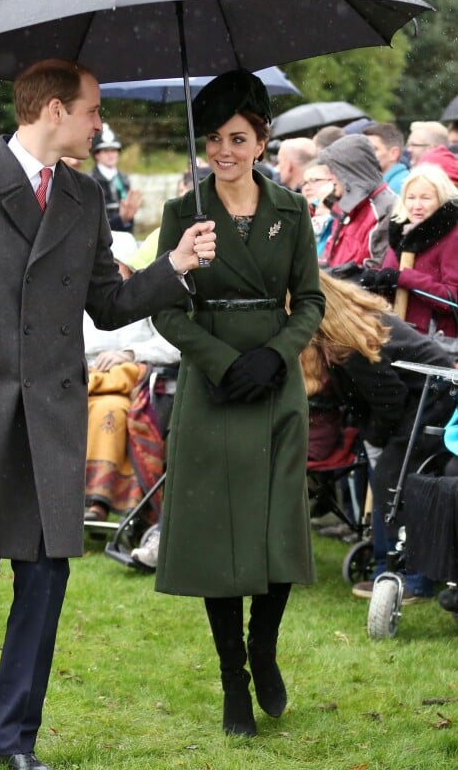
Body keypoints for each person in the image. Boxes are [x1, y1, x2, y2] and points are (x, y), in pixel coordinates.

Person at [0, 58, 216, 770]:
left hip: (52, 414)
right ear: (51, 109)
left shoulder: (83, 195)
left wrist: (174, 265)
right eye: (90, 109)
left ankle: (16, 738)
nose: (98, 121)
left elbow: (107, 302)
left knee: (44, 579)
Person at [151, 69, 325, 737]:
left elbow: (310, 299)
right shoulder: (182, 214)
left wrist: (275, 354)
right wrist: (224, 361)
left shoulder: (291, 210)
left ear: (261, 139)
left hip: (275, 382)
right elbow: (165, 308)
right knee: (218, 532)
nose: (224, 150)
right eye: (215, 138)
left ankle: (263, 644)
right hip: (212, 381)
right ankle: (232, 677)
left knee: (279, 521)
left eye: (238, 136)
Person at [301, 272, 456, 602]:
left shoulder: (348, 344)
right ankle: (387, 564)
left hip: (433, 395)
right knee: (386, 475)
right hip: (412, 398)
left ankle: (413, 576)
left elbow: (389, 398)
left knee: (397, 479)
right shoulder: (345, 330)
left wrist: (376, 435)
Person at [83, 231, 180, 523]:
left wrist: (130, 353)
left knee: (109, 411)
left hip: (131, 386)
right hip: (83, 379)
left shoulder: (146, 301)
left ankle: (98, 501)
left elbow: (172, 345)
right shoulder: (80, 301)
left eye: (115, 266)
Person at [359, 163, 458, 347]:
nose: (416, 206)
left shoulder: (453, 237)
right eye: (411, 198)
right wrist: (376, 282)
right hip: (398, 336)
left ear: (442, 199)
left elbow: (452, 299)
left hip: (437, 342)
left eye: (426, 198)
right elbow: (391, 279)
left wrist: (404, 278)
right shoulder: (401, 233)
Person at [318, 134, 398, 269]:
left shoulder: (387, 208)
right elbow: (328, 259)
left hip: (352, 290)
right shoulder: (345, 205)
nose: (329, 177)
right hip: (335, 289)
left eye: (334, 171)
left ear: (351, 171)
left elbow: (376, 272)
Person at [90, 122, 142, 231]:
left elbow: (129, 216)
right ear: (96, 154)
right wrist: (120, 220)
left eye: (113, 150)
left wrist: (126, 220)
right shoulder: (90, 181)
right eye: (106, 151)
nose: (111, 155)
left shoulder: (124, 179)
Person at [362, 122, 409, 195]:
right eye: (362, 149)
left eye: (373, 149)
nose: (364, 154)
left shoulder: (402, 185)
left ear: (394, 153)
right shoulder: (377, 183)